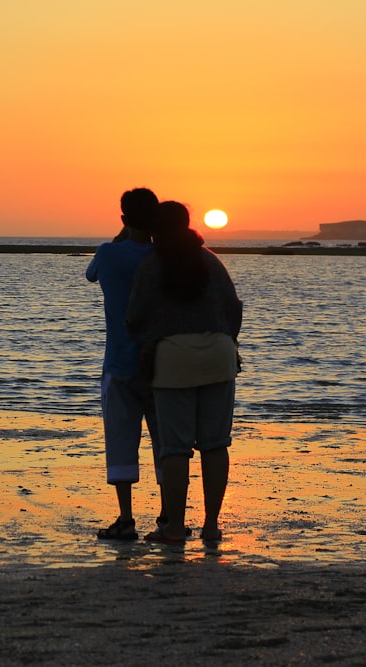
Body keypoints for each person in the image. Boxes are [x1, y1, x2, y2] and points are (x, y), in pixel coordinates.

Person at [126, 201, 243, 543]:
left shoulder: (151, 265)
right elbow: (234, 309)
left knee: (175, 449)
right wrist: (225, 340)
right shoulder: (211, 261)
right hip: (219, 355)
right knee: (215, 444)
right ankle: (211, 526)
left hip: (172, 359)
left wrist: (149, 341)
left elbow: (135, 316)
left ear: (155, 231)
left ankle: (175, 527)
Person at [86, 187, 165, 540]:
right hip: (162, 364)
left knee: (120, 440)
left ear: (122, 218)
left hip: (119, 363)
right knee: (166, 442)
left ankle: (126, 518)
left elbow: (91, 274)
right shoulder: (164, 256)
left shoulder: (108, 253)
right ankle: (168, 516)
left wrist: (123, 235)